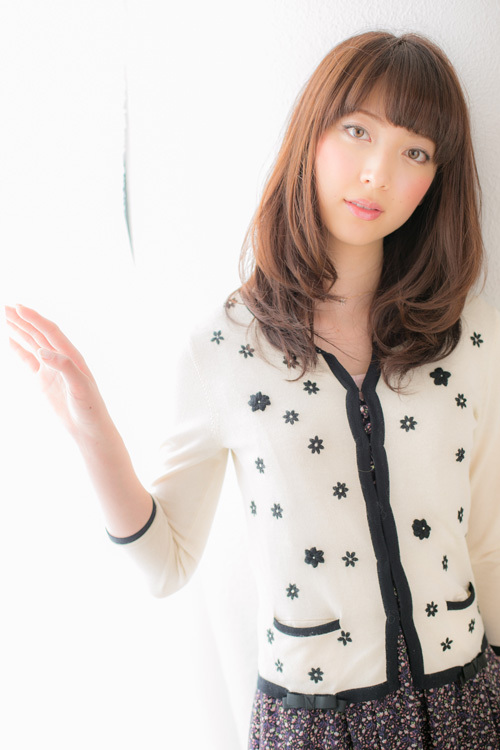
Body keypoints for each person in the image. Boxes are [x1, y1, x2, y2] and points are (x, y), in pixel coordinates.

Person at [5, 29, 500, 749]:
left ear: (437, 177)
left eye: (415, 151)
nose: (377, 174)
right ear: (312, 133)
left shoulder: (471, 335)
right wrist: (92, 430)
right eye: (357, 131)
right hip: (315, 721)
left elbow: (486, 545)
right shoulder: (224, 349)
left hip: (465, 705)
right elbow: (166, 565)